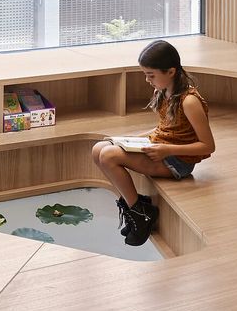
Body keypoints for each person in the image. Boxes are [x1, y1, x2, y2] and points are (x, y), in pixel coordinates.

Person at [92, 39, 215, 247]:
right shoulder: (164, 89)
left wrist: (166, 149)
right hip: (162, 148)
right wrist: (134, 139)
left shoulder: (189, 101)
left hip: (177, 161)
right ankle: (134, 205)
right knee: (98, 149)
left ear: (170, 71)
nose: (147, 80)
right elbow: (165, 129)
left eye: (151, 75)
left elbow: (208, 146)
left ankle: (140, 213)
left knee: (108, 155)